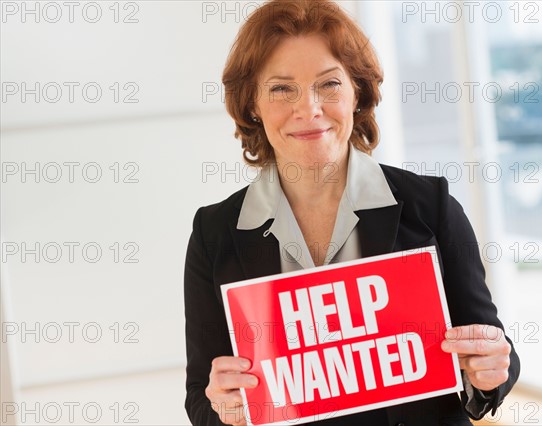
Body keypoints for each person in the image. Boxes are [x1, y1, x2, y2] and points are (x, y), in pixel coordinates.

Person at [184, 1, 520, 425]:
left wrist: (490, 371)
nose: (308, 109)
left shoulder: (430, 207)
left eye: (328, 84)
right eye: (282, 88)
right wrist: (223, 409)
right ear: (252, 102)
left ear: (356, 92)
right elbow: (201, 395)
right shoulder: (213, 233)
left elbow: (491, 353)